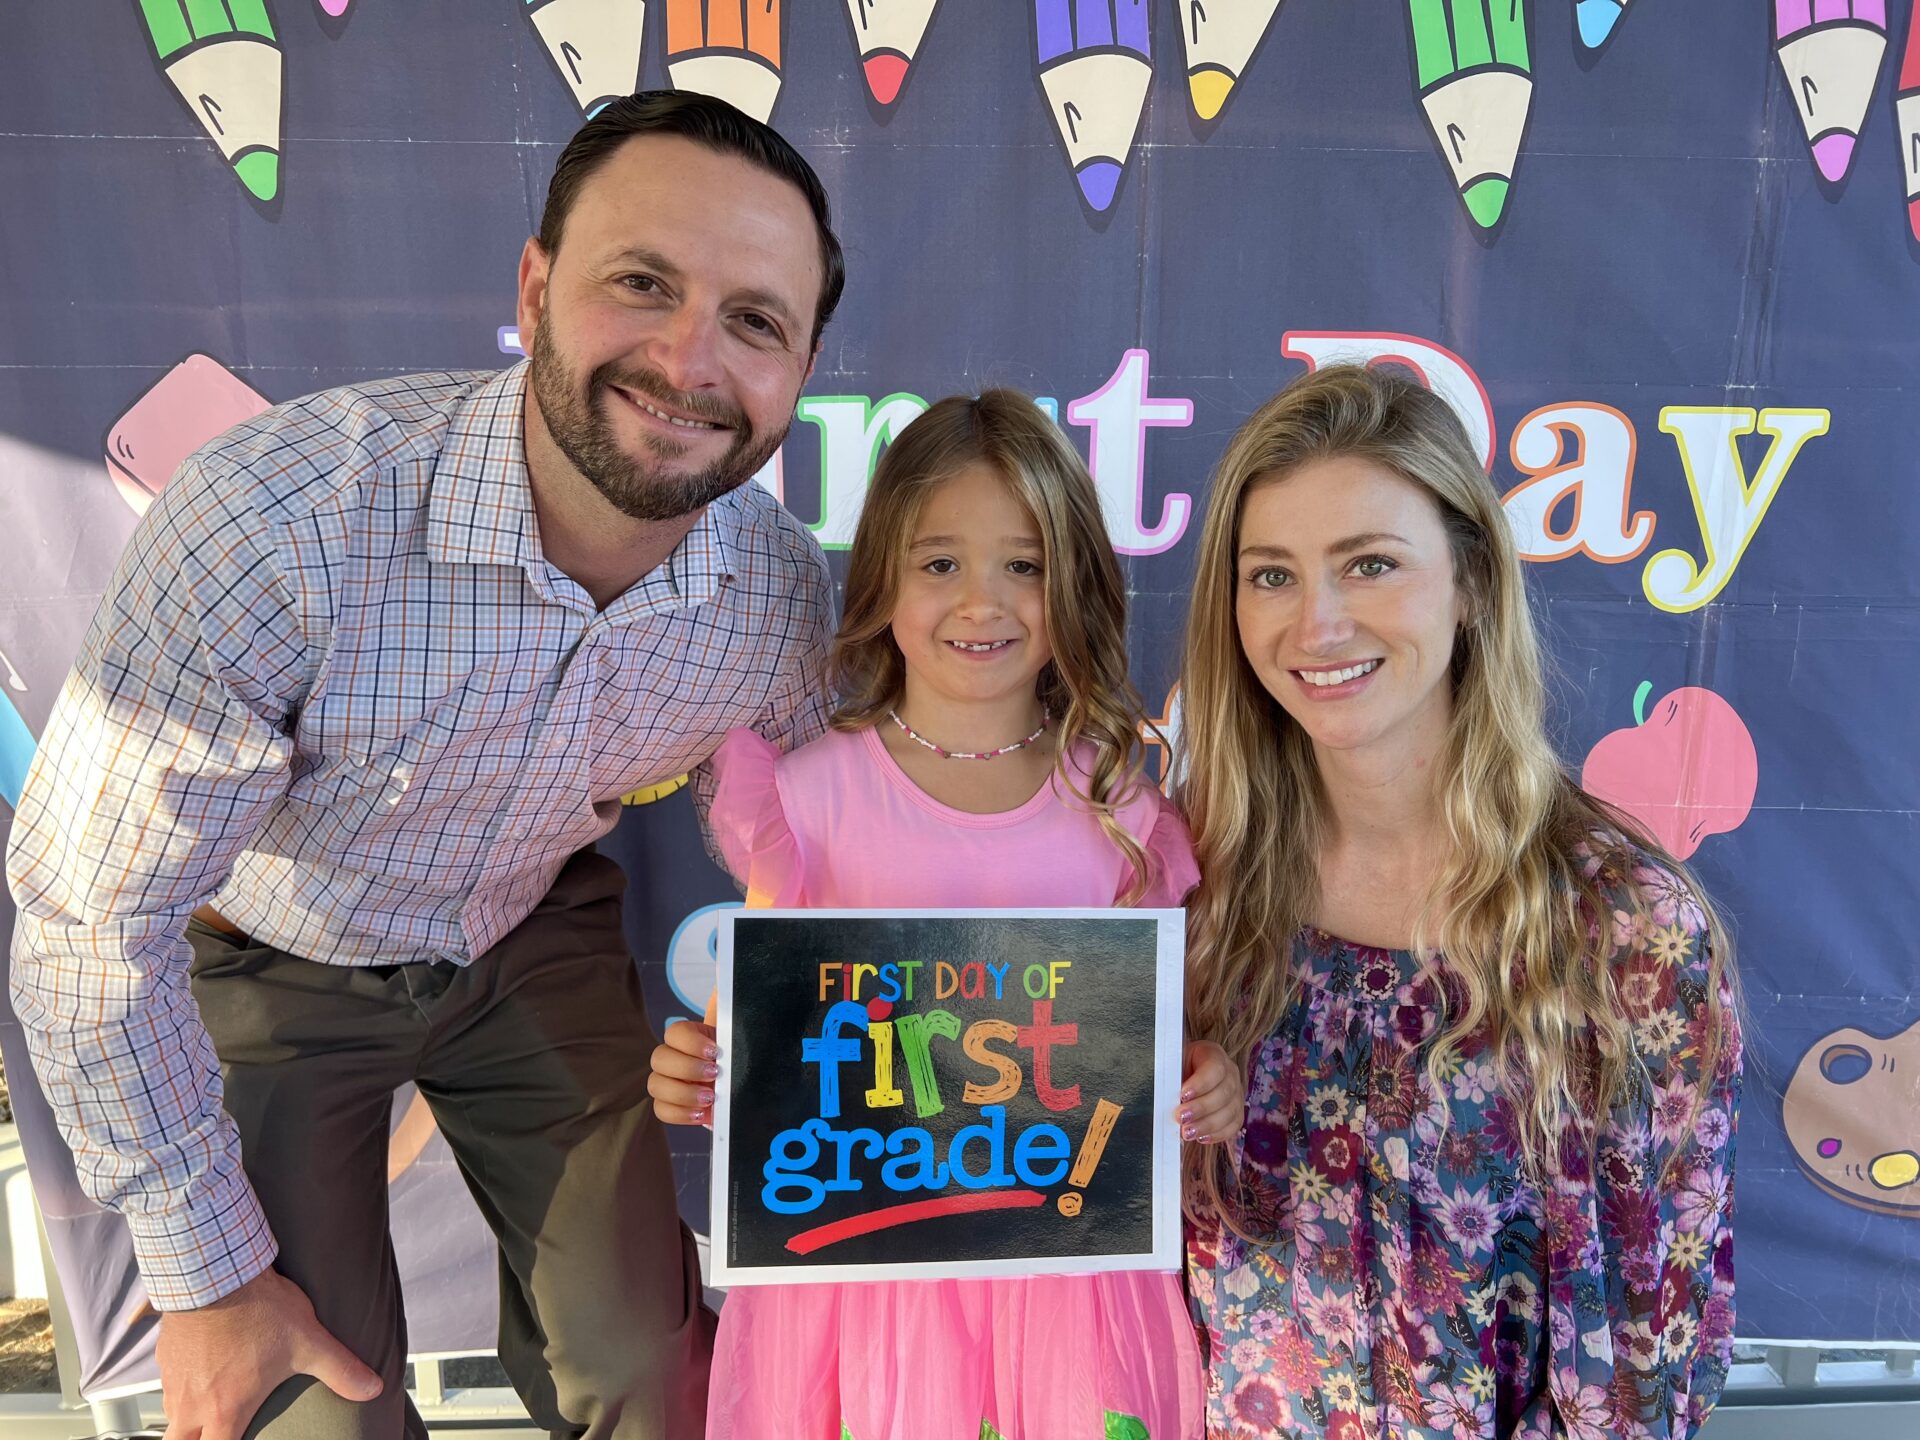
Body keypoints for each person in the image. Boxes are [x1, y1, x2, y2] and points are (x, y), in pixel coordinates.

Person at [6, 91, 844, 1440]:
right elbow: (89, 919)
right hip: (267, 949)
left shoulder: (780, 598)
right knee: (305, 1409)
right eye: (642, 283)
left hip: (531, 924)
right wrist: (205, 1277)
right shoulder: (278, 522)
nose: (690, 357)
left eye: (755, 321)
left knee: (655, 1377)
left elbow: (842, 842)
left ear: (800, 371)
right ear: (537, 287)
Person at [648, 390, 1240, 1440]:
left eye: (1024, 565)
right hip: (861, 1296)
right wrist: (706, 1072)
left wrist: (1203, 1081)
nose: (982, 602)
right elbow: (767, 1051)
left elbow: (1153, 1048)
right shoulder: (805, 803)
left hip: (1065, 1299)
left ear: (1073, 584)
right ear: (883, 576)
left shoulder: (1119, 812)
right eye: (940, 564)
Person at [1177, 365, 1741, 1440]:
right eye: (1272, 576)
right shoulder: (1200, 891)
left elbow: (1648, 1365)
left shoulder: (1623, 929)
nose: (1316, 624)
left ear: (1471, 582)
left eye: (1371, 564)